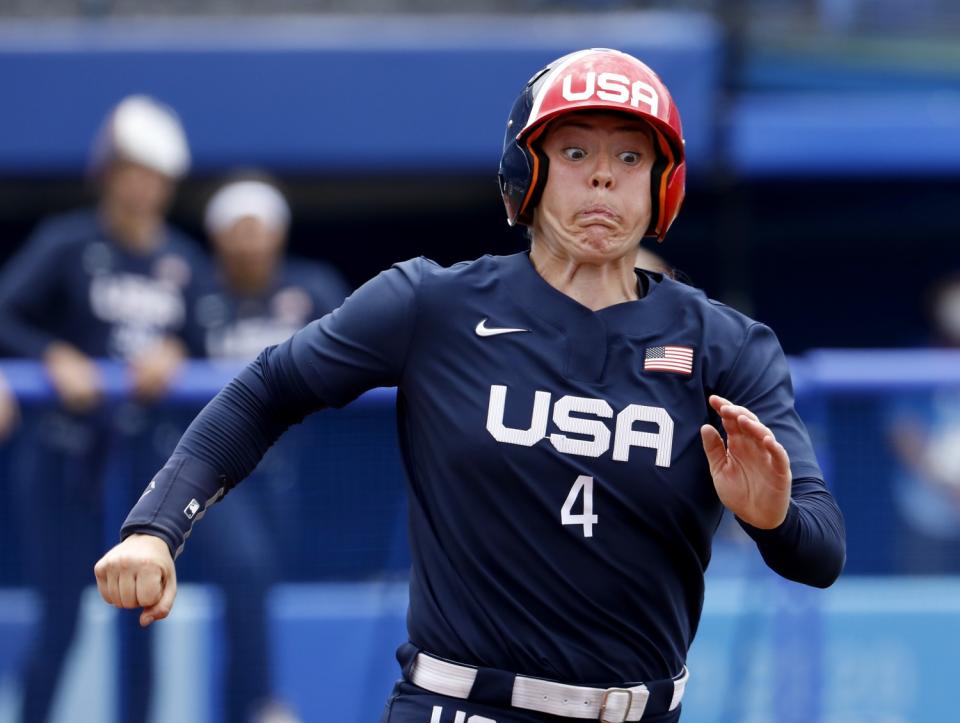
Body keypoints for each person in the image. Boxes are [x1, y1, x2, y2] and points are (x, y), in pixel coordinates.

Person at [94, 49, 846, 723]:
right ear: (528, 171)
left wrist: (772, 515)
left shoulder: (726, 344)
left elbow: (820, 552)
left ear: (663, 184)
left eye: (631, 155)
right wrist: (156, 528)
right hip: (460, 707)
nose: (604, 174)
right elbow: (267, 388)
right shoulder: (432, 304)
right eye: (576, 148)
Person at [0, 94, 205, 723]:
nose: (143, 186)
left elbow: (207, 337)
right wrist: (53, 356)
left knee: (141, 616)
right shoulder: (66, 243)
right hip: (63, 453)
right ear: (108, 173)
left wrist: (178, 353)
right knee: (60, 616)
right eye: (131, 170)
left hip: (148, 462)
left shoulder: (185, 262)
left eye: (155, 174)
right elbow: (7, 314)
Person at [169, 175, 350, 723]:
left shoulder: (312, 287)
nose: (248, 242)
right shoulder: (192, 294)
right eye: (236, 230)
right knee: (245, 571)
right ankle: (261, 702)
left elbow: (358, 349)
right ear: (217, 237)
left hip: (294, 471)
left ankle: (242, 704)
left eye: (259, 229)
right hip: (217, 471)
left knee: (258, 583)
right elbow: (155, 350)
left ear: (278, 234)